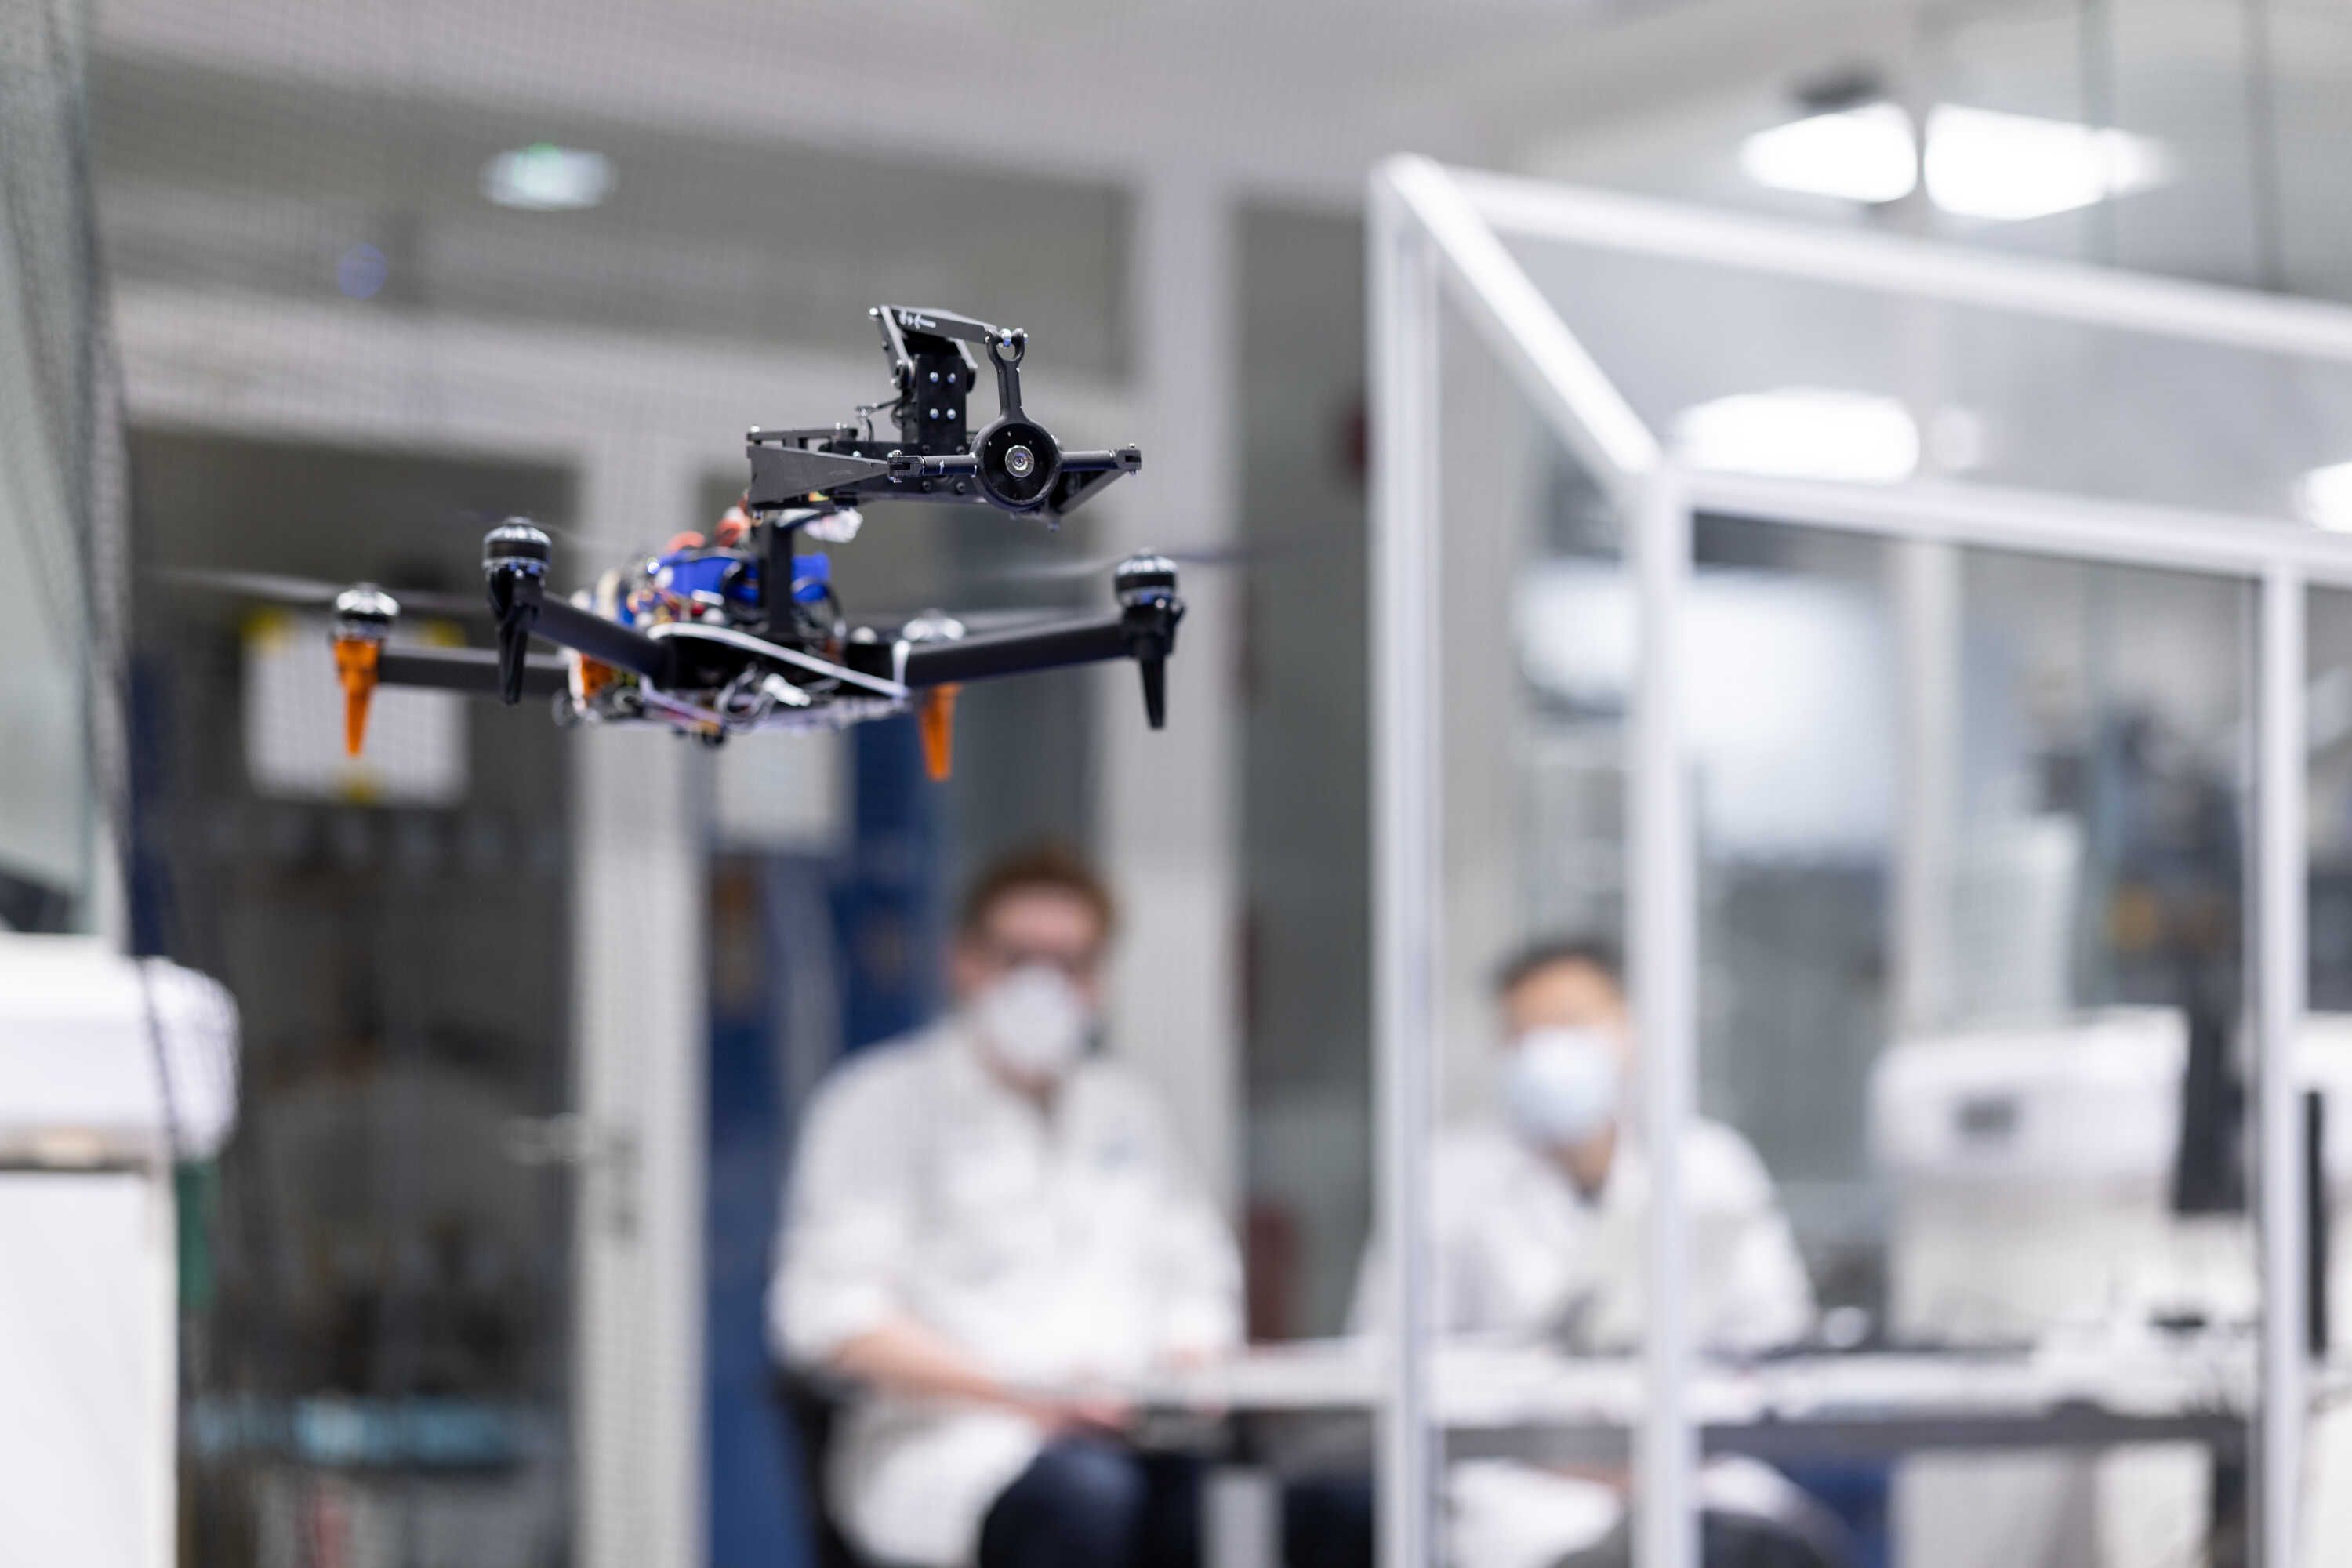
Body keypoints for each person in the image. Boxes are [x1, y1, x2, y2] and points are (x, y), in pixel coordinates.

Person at [771, 844, 1242, 1568]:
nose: (1044, 986)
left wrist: (1186, 1365)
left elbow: (1198, 1272)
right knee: (1087, 1496)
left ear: (1100, 982)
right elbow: (831, 1316)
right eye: (1020, 958)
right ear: (963, 961)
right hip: (956, 1448)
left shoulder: (1128, 1109)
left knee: (1239, 1499)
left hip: (1130, 1433)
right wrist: (1025, 1397)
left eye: (1072, 964)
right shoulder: (880, 1105)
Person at [1293, 935, 1823, 1568]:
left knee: (1778, 1549)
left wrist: (1667, 1446)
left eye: (1570, 1024)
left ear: (1627, 1031)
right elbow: (1390, 1358)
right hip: (1524, 1486)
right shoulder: (1447, 1180)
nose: (1546, 1051)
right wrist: (1563, 1449)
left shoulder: (1710, 1165)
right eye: (1524, 1033)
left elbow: (1777, 1342)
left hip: (1699, 1471)